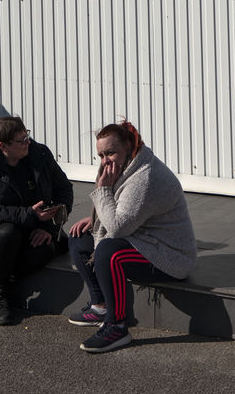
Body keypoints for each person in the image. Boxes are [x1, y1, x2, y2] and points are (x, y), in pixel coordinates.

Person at [66, 120, 196, 353]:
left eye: (110, 153)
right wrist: (96, 220)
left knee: (108, 253)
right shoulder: (126, 165)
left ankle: (117, 326)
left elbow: (117, 228)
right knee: (79, 237)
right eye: (101, 155)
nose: (105, 161)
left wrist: (103, 190)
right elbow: (121, 213)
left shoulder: (145, 176)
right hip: (140, 236)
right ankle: (100, 306)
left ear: (128, 146)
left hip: (169, 255)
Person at [0, 116, 74, 325]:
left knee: (46, 249)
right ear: (3, 146)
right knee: (8, 234)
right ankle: (1, 296)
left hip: (37, 225)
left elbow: (64, 189)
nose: (27, 142)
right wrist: (28, 214)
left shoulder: (40, 154)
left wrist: (49, 227)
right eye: (21, 140)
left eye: (27, 136)